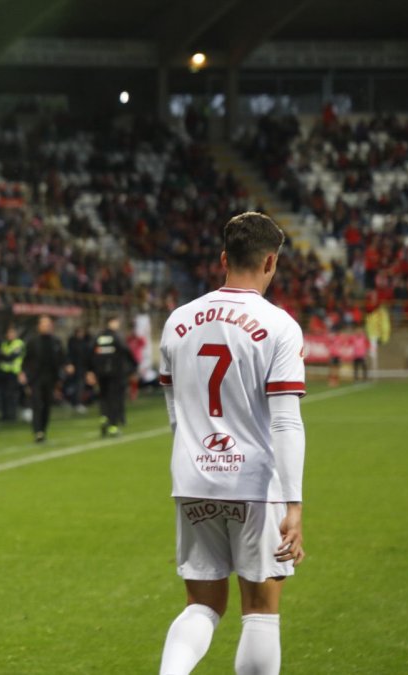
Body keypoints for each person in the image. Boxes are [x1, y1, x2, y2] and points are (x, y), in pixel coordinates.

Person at [156, 212, 306, 675]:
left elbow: (175, 415)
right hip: (253, 484)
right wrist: (294, 504)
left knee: (203, 604)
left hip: (193, 477)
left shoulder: (177, 322)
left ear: (224, 258)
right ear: (270, 262)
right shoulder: (279, 326)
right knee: (260, 606)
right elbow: (285, 422)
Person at [88, 315, 135, 437]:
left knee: (103, 397)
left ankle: (104, 418)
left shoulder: (98, 337)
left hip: (100, 373)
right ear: (111, 322)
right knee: (114, 398)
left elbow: (89, 353)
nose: (117, 324)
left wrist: (91, 370)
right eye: (116, 322)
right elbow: (126, 351)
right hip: (115, 373)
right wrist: (134, 365)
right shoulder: (115, 337)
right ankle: (113, 427)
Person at [23, 315, 67, 443]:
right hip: (36, 378)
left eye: (48, 324)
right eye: (43, 324)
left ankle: (43, 429)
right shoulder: (32, 342)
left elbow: (62, 358)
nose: (46, 326)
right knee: (37, 405)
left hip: (51, 378)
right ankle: (38, 432)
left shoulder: (56, 342)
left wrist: (66, 367)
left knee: (47, 405)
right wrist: (25, 374)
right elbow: (26, 360)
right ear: (39, 326)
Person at [0, 325, 25, 422]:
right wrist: (3, 356)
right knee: (3, 394)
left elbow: (11, 357)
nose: (10, 335)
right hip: (3, 372)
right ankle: (5, 415)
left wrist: (3, 355)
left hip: (14, 372)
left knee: (11, 394)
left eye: (12, 333)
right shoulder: (3, 343)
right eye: (9, 333)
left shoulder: (19, 343)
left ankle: (12, 414)